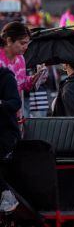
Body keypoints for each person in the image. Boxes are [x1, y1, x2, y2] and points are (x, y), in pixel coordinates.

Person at [0, 21, 45, 98]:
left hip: (17, 108)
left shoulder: (20, 58)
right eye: (22, 43)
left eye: (27, 43)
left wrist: (34, 78)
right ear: (9, 41)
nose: (26, 47)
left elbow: (22, 84)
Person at [0, 64, 22, 213]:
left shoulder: (6, 78)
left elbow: (16, 102)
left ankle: (7, 194)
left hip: (6, 134)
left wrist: (1, 104)